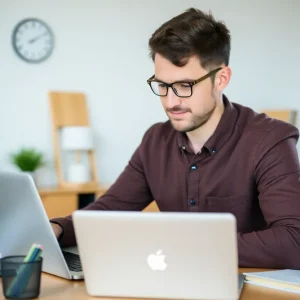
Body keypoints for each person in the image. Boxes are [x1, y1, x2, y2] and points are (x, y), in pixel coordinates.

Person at [51, 8, 300, 269]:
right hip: (173, 281)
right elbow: (110, 209)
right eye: (162, 86)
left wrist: (185, 248)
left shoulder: (271, 140)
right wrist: (57, 228)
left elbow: (294, 240)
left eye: (185, 86)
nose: (171, 102)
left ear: (221, 79)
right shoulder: (155, 141)